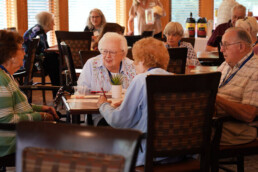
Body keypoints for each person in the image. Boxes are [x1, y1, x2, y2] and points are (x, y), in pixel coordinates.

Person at [97, 37, 173, 166]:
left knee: (102, 136)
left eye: (136, 60)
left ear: (142, 60)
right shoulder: (175, 78)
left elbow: (119, 121)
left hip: (148, 154)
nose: (133, 64)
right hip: (178, 152)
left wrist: (103, 105)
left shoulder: (141, 80)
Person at [0, 30, 59, 158]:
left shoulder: (6, 75)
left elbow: (18, 107)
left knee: (63, 134)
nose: (24, 52)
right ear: (11, 55)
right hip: (9, 141)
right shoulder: (1, 80)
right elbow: (7, 120)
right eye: (21, 49)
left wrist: (42, 108)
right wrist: (40, 116)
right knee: (63, 140)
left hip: (18, 133)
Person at [77, 32, 136, 126]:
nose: (107, 56)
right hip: (100, 114)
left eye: (112, 52)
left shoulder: (133, 67)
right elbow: (82, 91)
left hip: (127, 115)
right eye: (104, 51)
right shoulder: (92, 64)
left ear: (123, 53)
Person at [216, 27, 258, 145]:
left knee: (185, 129)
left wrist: (214, 98)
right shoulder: (226, 65)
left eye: (226, 45)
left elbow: (248, 115)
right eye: (221, 45)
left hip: (236, 128)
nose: (221, 49)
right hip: (214, 119)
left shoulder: (256, 70)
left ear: (241, 46)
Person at [23, 11, 60, 97]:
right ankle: (57, 90)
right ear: (47, 22)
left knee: (54, 58)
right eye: (52, 21)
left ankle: (58, 89)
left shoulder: (38, 29)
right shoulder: (39, 32)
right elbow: (44, 51)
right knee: (54, 60)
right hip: (31, 62)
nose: (54, 24)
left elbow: (43, 49)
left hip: (30, 60)